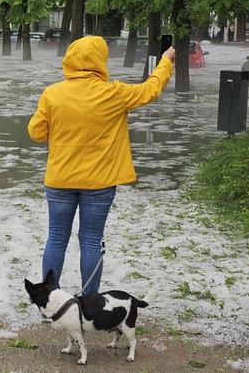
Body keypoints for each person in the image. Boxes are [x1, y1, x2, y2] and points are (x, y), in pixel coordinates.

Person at [27, 35, 175, 294]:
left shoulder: (52, 94)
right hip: (100, 183)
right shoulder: (114, 93)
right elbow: (150, 90)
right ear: (101, 61)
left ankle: (49, 297)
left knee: (56, 238)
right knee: (91, 241)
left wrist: (64, 133)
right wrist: (165, 62)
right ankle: (90, 301)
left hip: (60, 180)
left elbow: (36, 133)